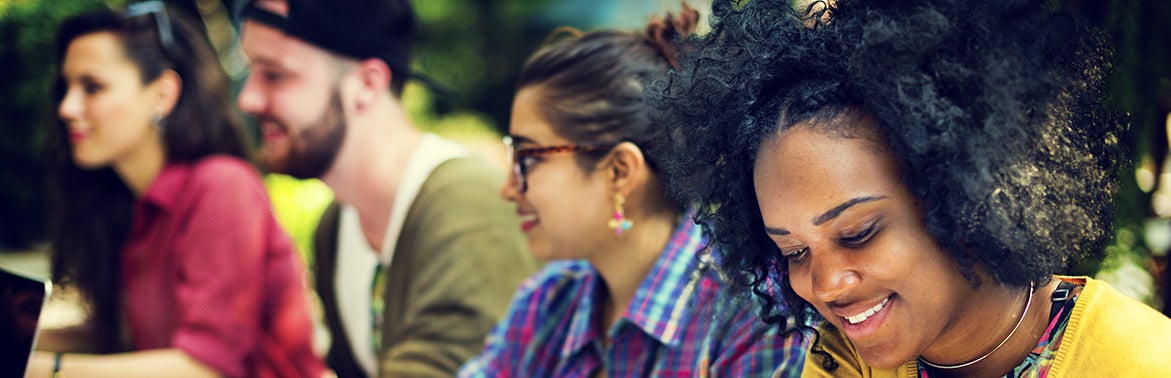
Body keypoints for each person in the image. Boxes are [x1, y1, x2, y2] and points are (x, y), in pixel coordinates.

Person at [648, 0, 1171, 376]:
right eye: (794, 250)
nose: (826, 285)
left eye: (857, 232)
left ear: (970, 195)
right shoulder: (841, 362)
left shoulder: (1141, 362)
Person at [457, 5, 808, 377]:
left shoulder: (755, 312)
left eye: (528, 157)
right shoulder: (548, 302)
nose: (508, 189)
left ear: (620, 171)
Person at [235, 0, 539, 376]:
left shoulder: (467, 205)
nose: (247, 99)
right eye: (251, 72)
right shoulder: (337, 227)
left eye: (275, 74)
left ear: (367, 83)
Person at [32, 2, 326, 377]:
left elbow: (207, 366)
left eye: (93, 87)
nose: (67, 107)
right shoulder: (130, 204)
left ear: (162, 95)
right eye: (66, 88)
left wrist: (41, 369)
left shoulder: (222, 187)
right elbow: (114, 332)